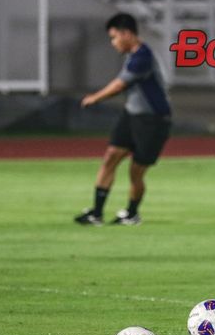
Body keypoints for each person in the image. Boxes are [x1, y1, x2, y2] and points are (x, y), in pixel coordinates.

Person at [74, 13, 172, 226]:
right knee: (111, 157)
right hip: (132, 116)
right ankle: (96, 213)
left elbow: (119, 85)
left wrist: (94, 98)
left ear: (127, 34)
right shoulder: (132, 56)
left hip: (153, 121)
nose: (113, 42)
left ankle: (132, 213)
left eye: (115, 37)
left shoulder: (143, 57)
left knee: (136, 171)